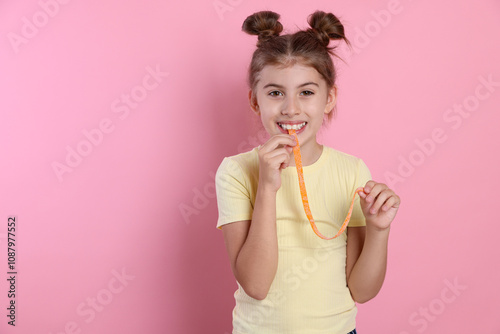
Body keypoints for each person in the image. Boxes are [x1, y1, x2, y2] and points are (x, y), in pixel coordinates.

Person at [215, 10, 401, 334]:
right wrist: (267, 189)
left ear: (329, 99)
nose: (290, 108)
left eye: (307, 92)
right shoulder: (236, 172)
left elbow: (362, 291)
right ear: (255, 101)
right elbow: (256, 285)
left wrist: (379, 230)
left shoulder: (351, 171)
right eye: (275, 93)